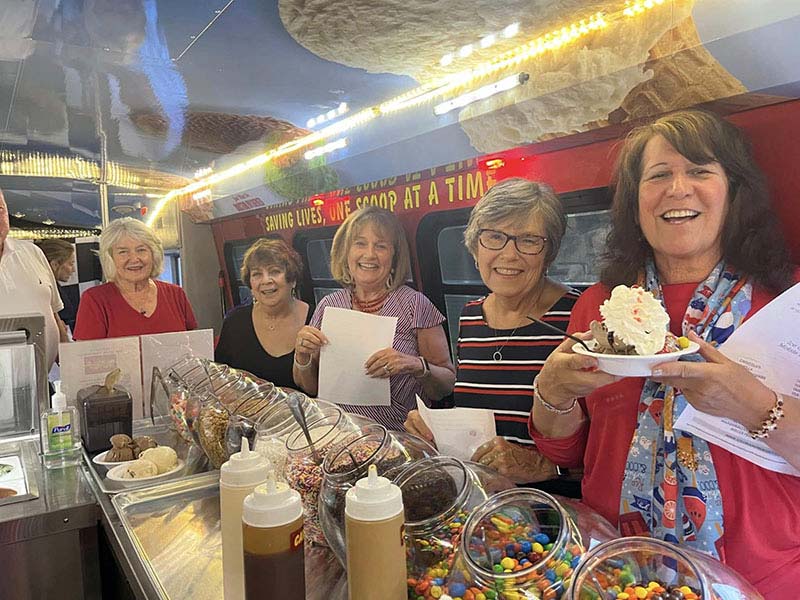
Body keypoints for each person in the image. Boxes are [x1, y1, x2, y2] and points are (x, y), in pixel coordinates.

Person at [530, 110, 799, 598]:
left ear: (734, 192)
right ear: (636, 205)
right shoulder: (600, 307)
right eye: (658, 175)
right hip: (618, 575)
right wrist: (551, 394)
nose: (678, 189)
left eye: (699, 171)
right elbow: (566, 453)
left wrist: (753, 405)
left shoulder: (787, 300)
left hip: (761, 582)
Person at [404, 178, 581, 490]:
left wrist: (542, 465)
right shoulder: (471, 316)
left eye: (528, 240)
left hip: (554, 512)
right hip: (483, 505)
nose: (509, 255)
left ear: (548, 252)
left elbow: (609, 448)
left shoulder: (577, 318)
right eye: (494, 237)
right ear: (475, 245)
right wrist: (434, 432)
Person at [293, 206, 455, 431]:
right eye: (360, 243)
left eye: (380, 246)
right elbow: (310, 387)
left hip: (398, 439)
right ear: (346, 252)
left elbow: (446, 384)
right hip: (338, 433)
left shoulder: (415, 305)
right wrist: (302, 355)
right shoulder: (329, 306)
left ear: (394, 256)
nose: (369, 254)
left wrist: (415, 365)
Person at [73, 217, 197, 340]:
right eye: (123, 252)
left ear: (154, 254)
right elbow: (86, 357)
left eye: (141, 250)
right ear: (110, 258)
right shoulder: (95, 300)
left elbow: (194, 346)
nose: (134, 259)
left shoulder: (176, 294)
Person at [215, 238, 310, 388]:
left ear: (292, 279)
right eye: (257, 274)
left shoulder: (316, 319)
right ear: (250, 284)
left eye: (275, 271)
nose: (266, 280)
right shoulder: (234, 323)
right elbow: (220, 381)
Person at [0, 189, 67, 371]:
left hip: (42, 385)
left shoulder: (32, 252)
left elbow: (53, 313)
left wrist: (71, 365)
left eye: (0, 209)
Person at [36, 238, 79, 333]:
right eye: (71, 264)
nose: (73, 270)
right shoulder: (46, 291)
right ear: (54, 264)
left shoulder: (47, 285)